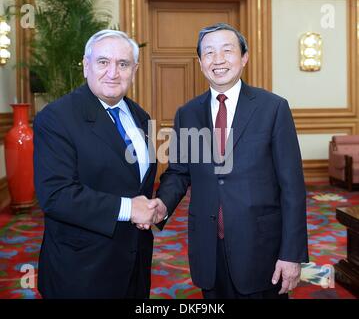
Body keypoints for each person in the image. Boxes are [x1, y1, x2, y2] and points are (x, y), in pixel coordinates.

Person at [150, 23, 309, 299]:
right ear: (200, 63)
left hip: (261, 249)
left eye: (227, 50)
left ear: (244, 57)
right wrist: (160, 205)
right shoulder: (187, 113)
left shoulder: (273, 108)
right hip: (208, 248)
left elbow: (292, 188)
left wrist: (291, 254)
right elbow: (178, 172)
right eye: (209, 53)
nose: (218, 60)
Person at [33, 30, 159, 298]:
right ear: (86, 65)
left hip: (134, 263)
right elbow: (56, 195)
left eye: (123, 64)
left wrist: (152, 206)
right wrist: (129, 209)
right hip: (83, 270)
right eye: (103, 62)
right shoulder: (56, 118)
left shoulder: (141, 116)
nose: (113, 72)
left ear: (134, 70)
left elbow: (138, 180)